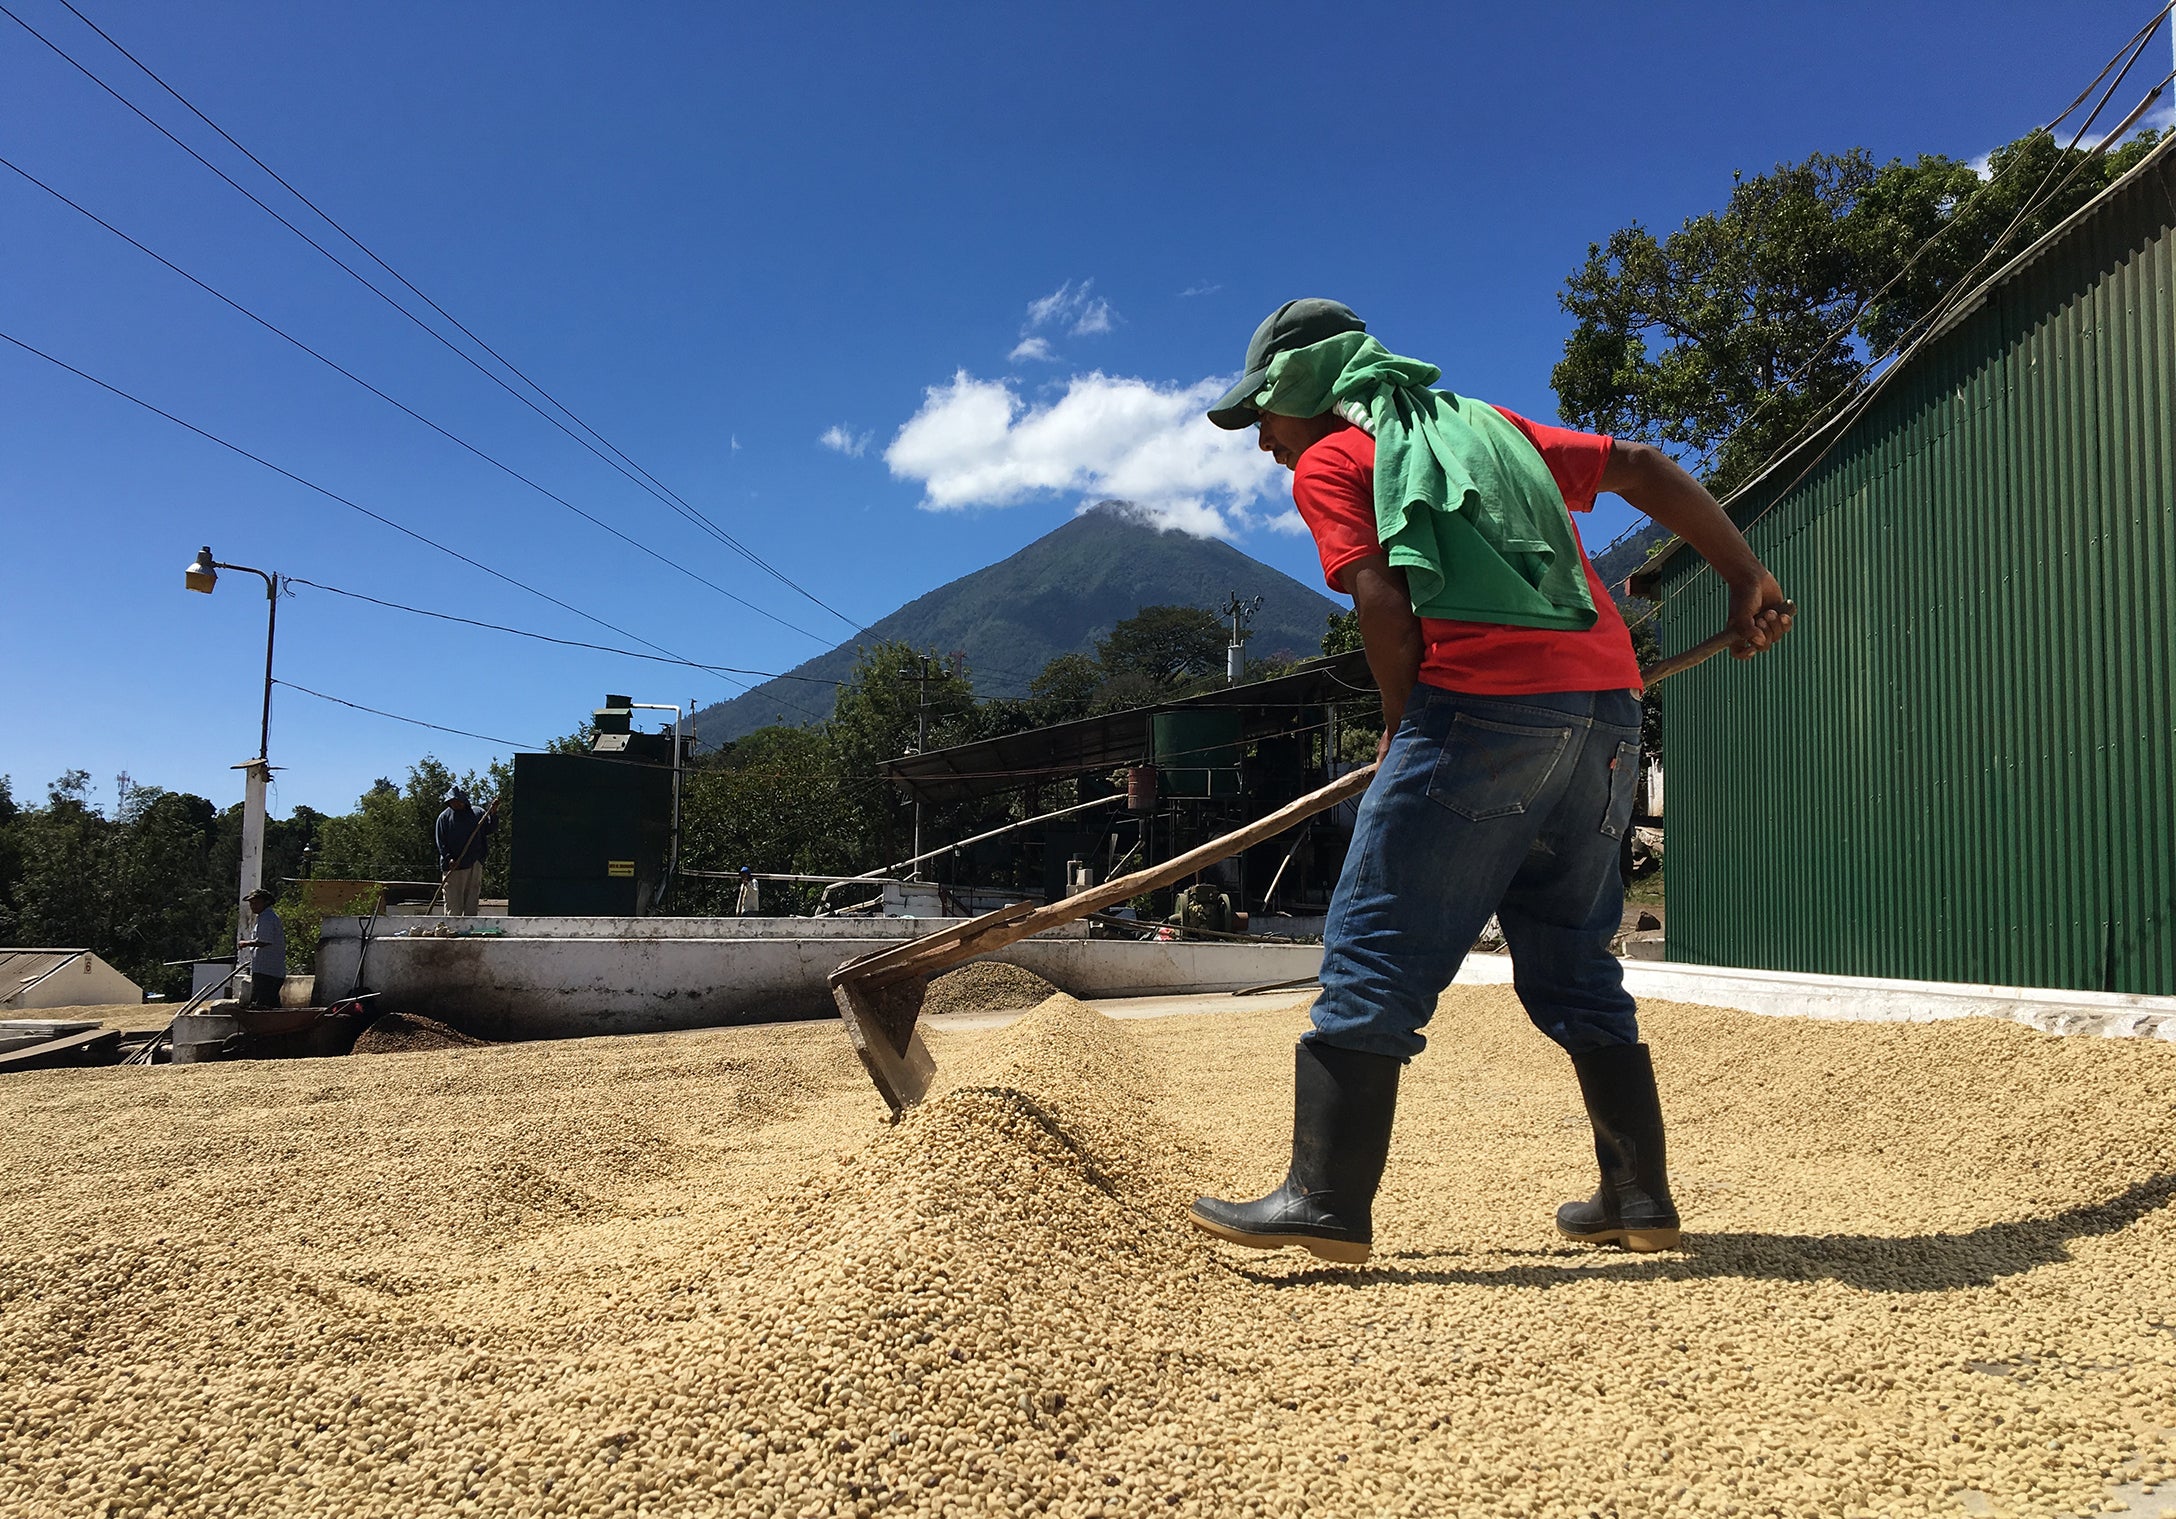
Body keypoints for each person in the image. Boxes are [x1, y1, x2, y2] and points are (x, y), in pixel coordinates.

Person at [1187, 299, 1793, 1264]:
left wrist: (1401, 724)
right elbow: (1635, 464)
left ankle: (1325, 1199)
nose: (1262, 438)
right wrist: (1744, 573)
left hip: (1477, 712)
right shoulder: (1484, 426)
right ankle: (1638, 1198)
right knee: (1577, 957)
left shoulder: (1336, 461)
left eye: (1263, 410)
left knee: (1376, 937)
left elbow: (1384, 602)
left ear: (1303, 389)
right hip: (1605, 716)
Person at [435, 789, 498, 916]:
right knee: (453, 899)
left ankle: (470, 927)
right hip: (455, 865)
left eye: (458, 801)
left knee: (472, 898)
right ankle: (452, 927)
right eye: (452, 802)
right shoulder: (444, 817)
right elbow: (441, 841)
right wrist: (449, 858)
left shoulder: (477, 813)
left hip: (474, 862)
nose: (456, 804)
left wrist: (493, 813)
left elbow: (490, 829)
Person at [236, 887, 286, 1010]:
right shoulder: (265, 917)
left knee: (262, 1005)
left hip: (267, 971)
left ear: (266, 903)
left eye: (256, 902)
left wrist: (245, 943)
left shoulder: (267, 918)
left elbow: (264, 941)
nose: (253, 906)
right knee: (271, 1004)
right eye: (251, 903)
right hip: (268, 970)